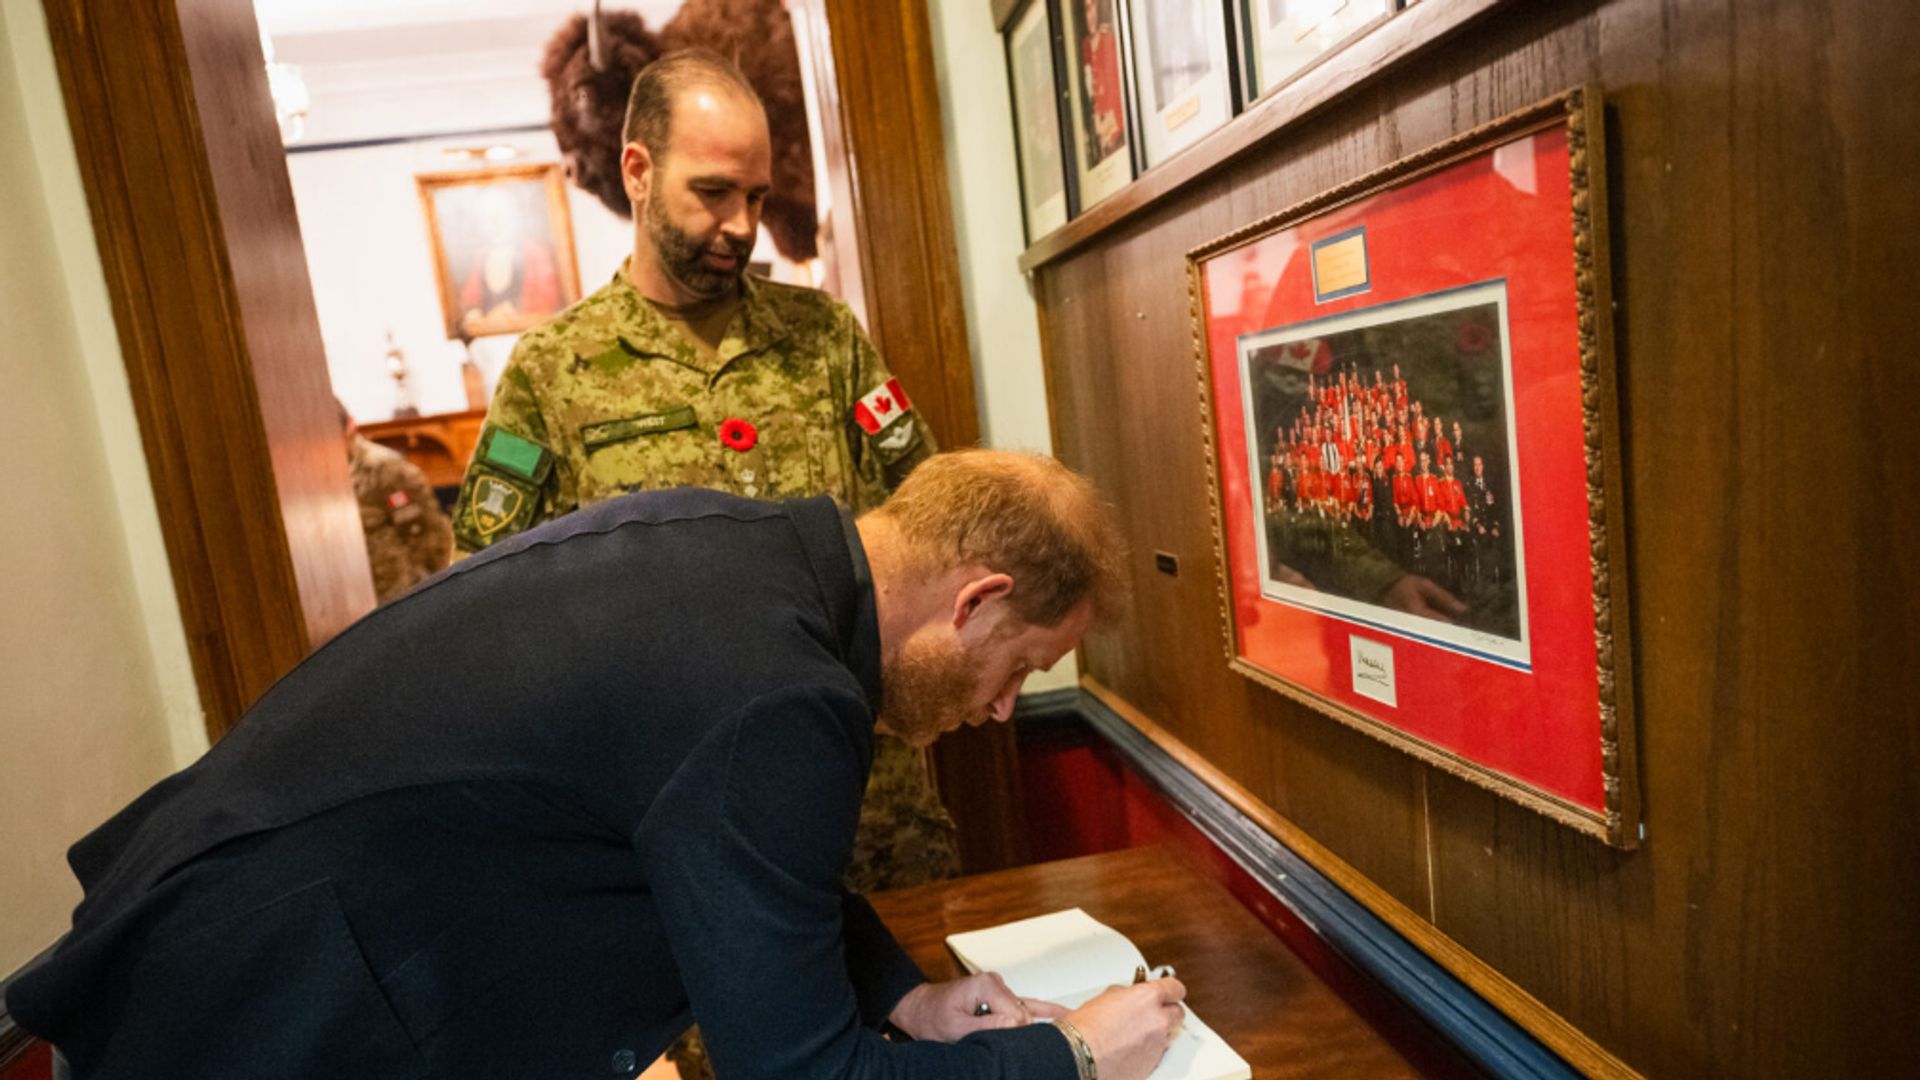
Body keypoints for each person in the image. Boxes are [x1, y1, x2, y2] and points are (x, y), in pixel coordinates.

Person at [7, 451, 1187, 1080]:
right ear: (976, 603)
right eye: (1020, 668)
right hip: (257, 1021)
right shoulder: (780, 692)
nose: (998, 713)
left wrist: (908, 996)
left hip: (231, 947)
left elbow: (731, 865)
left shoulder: (743, 562)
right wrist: (1072, 1053)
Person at [449, 49, 955, 1076]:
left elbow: (930, 512)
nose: (740, 224)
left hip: (872, 804)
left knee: (935, 1039)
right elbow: (487, 597)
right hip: (691, 833)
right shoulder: (555, 373)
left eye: (757, 197)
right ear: (637, 171)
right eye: (712, 193)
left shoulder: (825, 341)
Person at [338, 397, 452, 605]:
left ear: (350, 428)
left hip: (399, 601)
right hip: (354, 602)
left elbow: (430, 538)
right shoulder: (315, 481)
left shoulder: (384, 469)